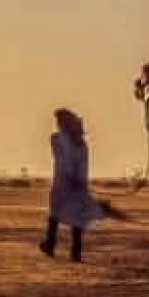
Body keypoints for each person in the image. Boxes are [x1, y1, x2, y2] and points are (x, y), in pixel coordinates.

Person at [41, 107, 103, 262]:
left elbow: (64, 161)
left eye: (59, 121)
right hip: (76, 185)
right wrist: (80, 181)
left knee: (55, 215)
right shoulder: (80, 143)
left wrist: (73, 179)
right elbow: (81, 165)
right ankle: (73, 252)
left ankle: (51, 245)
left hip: (63, 184)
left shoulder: (58, 139)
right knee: (75, 218)